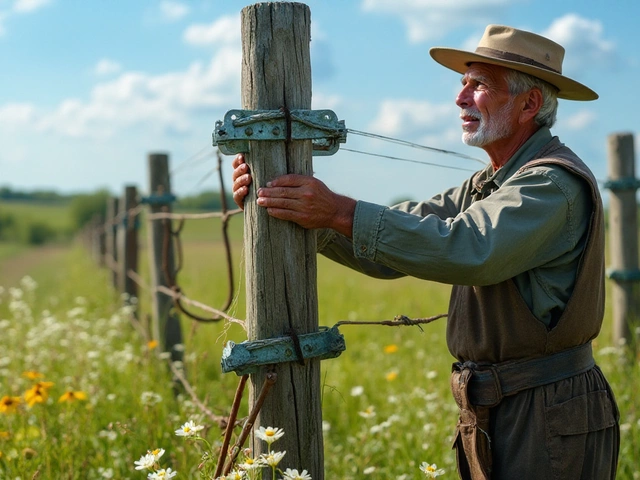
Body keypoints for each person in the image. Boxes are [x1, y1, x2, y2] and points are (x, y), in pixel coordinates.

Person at [231, 25, 620, 479]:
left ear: (529, 104)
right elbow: (390, 248)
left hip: (549, 411)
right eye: (463, 84)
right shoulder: (489, 184)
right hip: (498, 409)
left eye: (479, 86)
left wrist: (337, 210)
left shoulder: (551, 184)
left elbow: (469, 248)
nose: (460, 99)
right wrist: (296, 213)